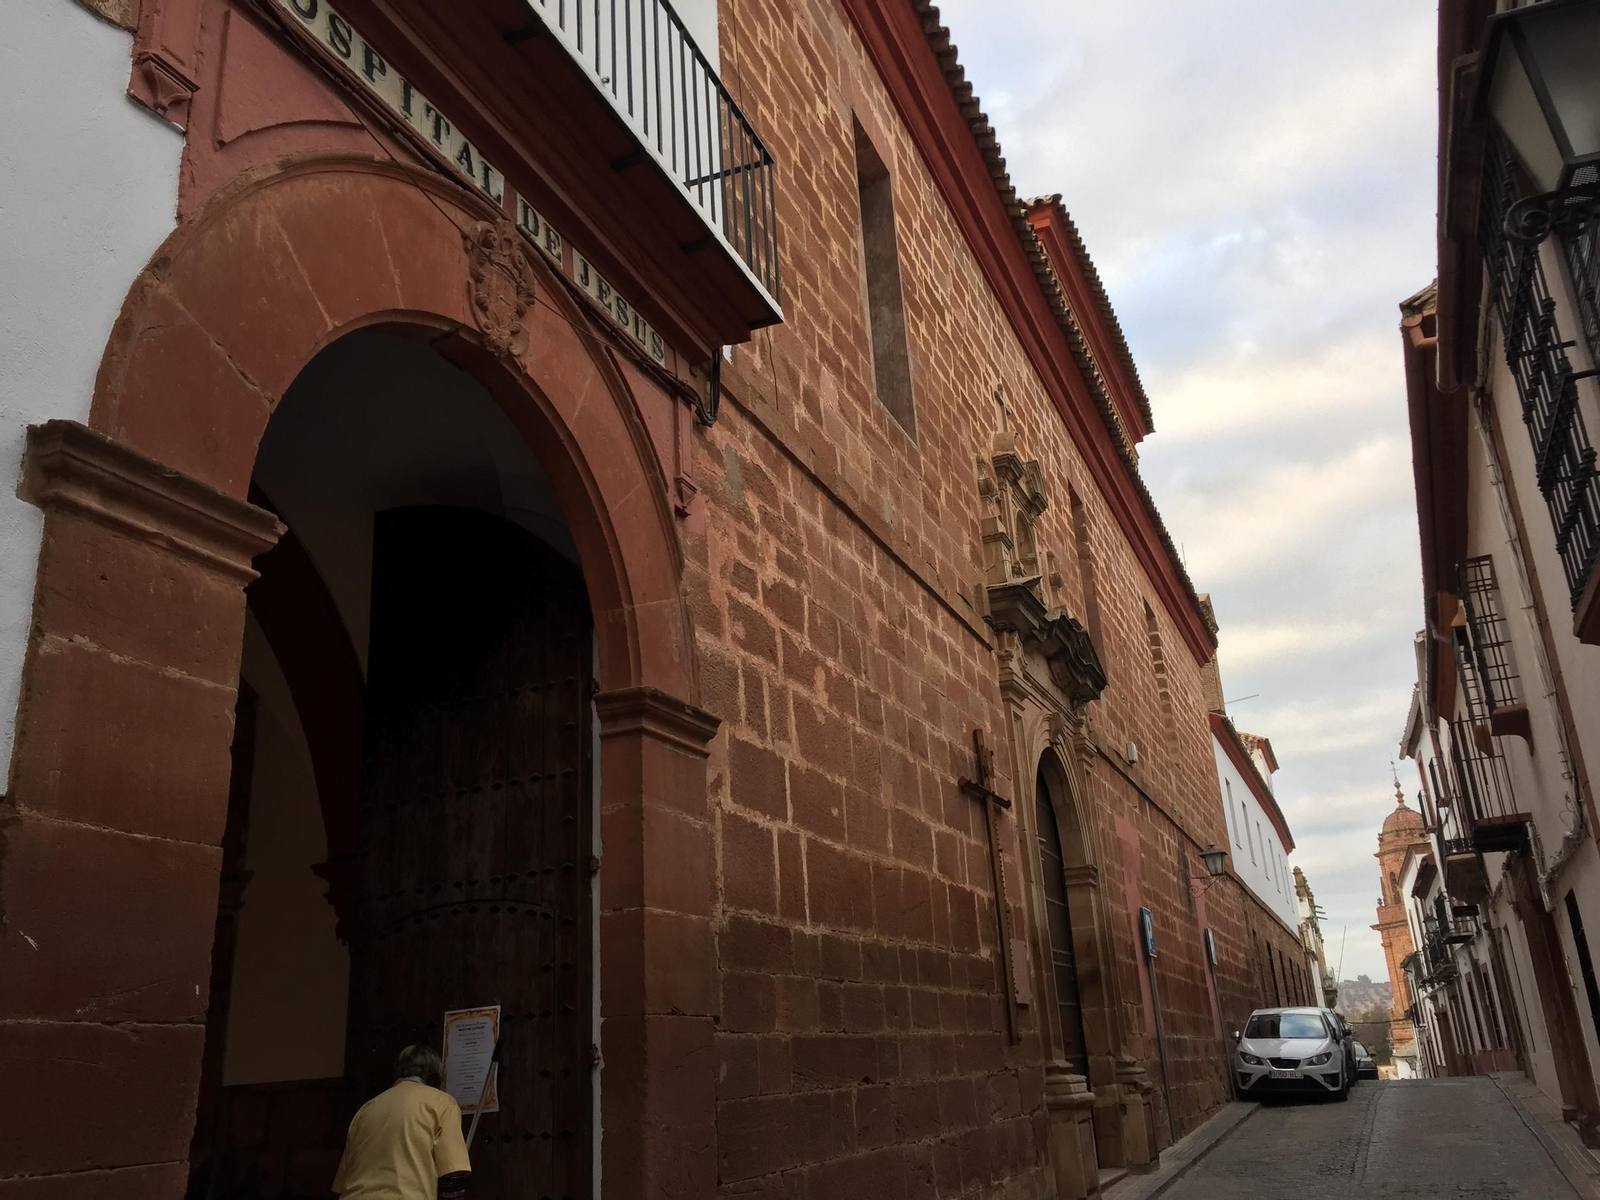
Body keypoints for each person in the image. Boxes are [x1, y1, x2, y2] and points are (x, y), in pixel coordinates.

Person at [333, 1045, 472, 1200]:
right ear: (435, 1075)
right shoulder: (442, 1102)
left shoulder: (366, 1109)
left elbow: (342, 1182)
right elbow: (451, 1178)